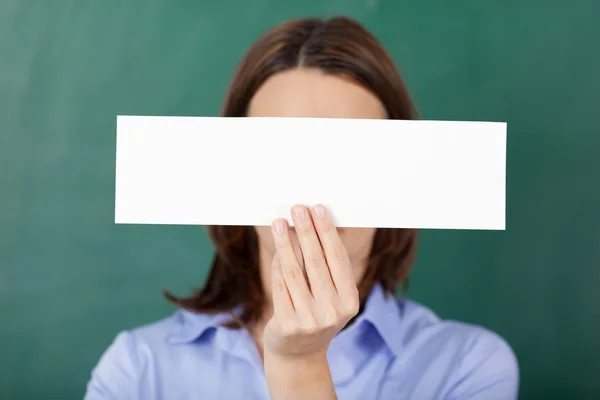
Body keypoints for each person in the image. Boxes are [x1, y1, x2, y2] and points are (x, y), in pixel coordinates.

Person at [84, 16, 519, 400]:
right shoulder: (138, 370)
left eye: (353, 156)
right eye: (280, 154)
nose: (312, 200)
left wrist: (301, 368)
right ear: (229, 171)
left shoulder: (466, 368)